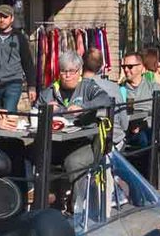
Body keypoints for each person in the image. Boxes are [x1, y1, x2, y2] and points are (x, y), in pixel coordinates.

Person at [37, 49, 115, 181]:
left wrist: (83, 108)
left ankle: (77, 201)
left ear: (79, 71)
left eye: (71, 71)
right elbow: (34, 111)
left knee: (73, 163)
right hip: (55, 143)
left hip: (84, 143)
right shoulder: (50, 90)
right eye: (63, 71)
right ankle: (35, 193)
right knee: (28, 153)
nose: (67, 75)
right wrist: (44, 109)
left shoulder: (87, 86)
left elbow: (105, 99)